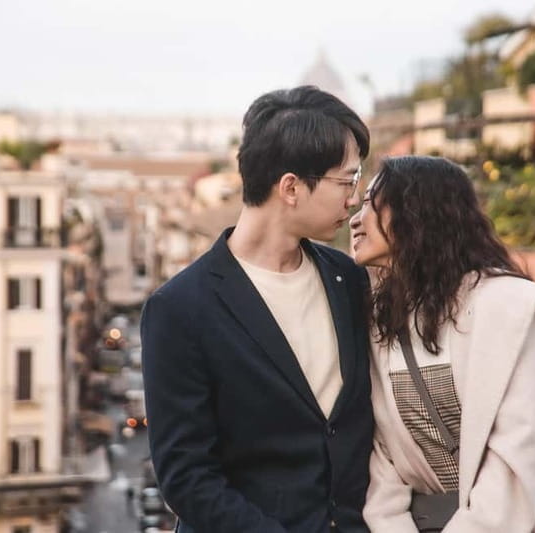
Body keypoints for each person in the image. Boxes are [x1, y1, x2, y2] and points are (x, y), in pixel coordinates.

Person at [140, 86, 374, 532]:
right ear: (290, 187)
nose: (354, 198)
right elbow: (186, 478)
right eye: (347, 181)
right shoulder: (180, 309)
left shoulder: (349, 280)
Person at [349, 155, 535, 532]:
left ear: (418, 211)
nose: (356, 218)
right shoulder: (380, 323)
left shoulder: (515, 309)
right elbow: (384, 461)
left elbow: (518, 457)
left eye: (371, 203)